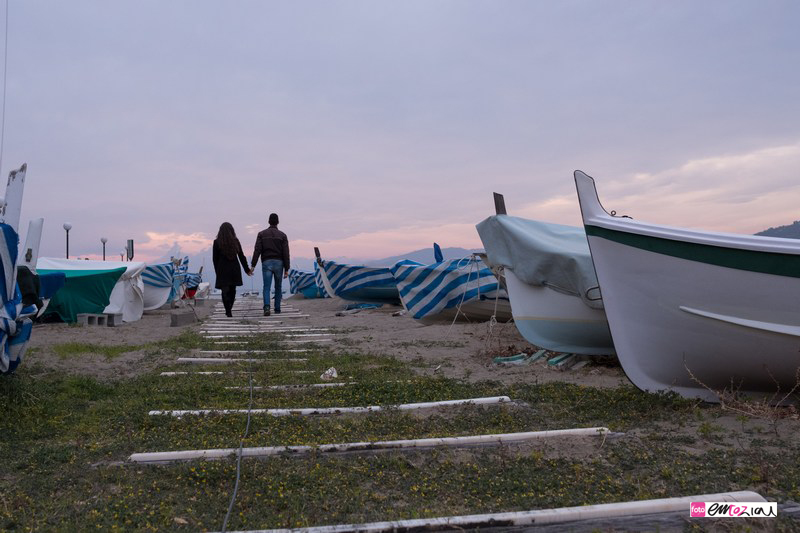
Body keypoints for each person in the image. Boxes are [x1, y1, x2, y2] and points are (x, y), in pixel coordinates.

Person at [250, 213, 289, 316]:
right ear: (278, 222)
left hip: (266, 262)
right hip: (279, 263)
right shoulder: (283, 235)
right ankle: (277, 308)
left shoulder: (261, 234)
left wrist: (253, 265)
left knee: (266, 287)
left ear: (268, 221)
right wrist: (287, 269)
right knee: (278, 287)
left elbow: (257, 250)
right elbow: (286, 253)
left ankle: (267, 307)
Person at [212, 222, 252, 317]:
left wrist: (217, 271)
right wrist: (247, 269)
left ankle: (228, 310)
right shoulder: (235, 241)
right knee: (232, 290)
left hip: (222, 269)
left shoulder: (217, 242)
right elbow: (241, 256)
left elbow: (215, 259)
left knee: (225, 291)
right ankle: (229, 308)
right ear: (232, 231)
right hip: (234, 269)